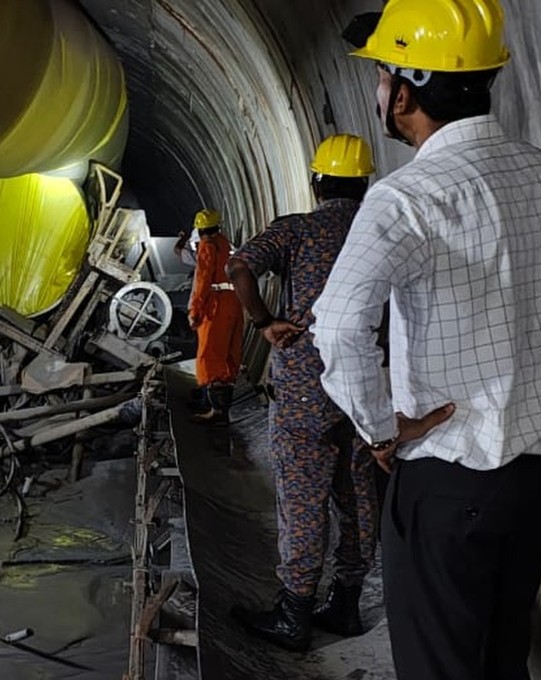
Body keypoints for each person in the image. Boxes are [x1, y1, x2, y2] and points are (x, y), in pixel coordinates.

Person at [311, 1, 541, 678]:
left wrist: (379, 428)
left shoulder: (408, 198)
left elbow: (341, 324)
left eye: (379, 76)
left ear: (402, 92)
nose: (379, 91)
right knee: (501, 656)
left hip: (449, 483)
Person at [225, 134, 379, 651]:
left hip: (304, 387)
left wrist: (265, 322)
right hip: (366, 384)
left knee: (303, 496)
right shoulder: (380, 228)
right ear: (364, 183)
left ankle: (293, 612)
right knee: (357, 492)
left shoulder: (298, 228)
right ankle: (346, 603)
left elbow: (239, 267)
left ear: (316, 182)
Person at [186, 208, 243, 424]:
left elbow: (202, 281)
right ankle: (217, 405)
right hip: (234, 302)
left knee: (210, 355)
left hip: (216, 304)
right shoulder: (226, 245)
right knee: (228, 355)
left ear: (200, 231)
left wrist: (195, 311)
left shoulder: (207, 247)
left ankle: (215, 411)